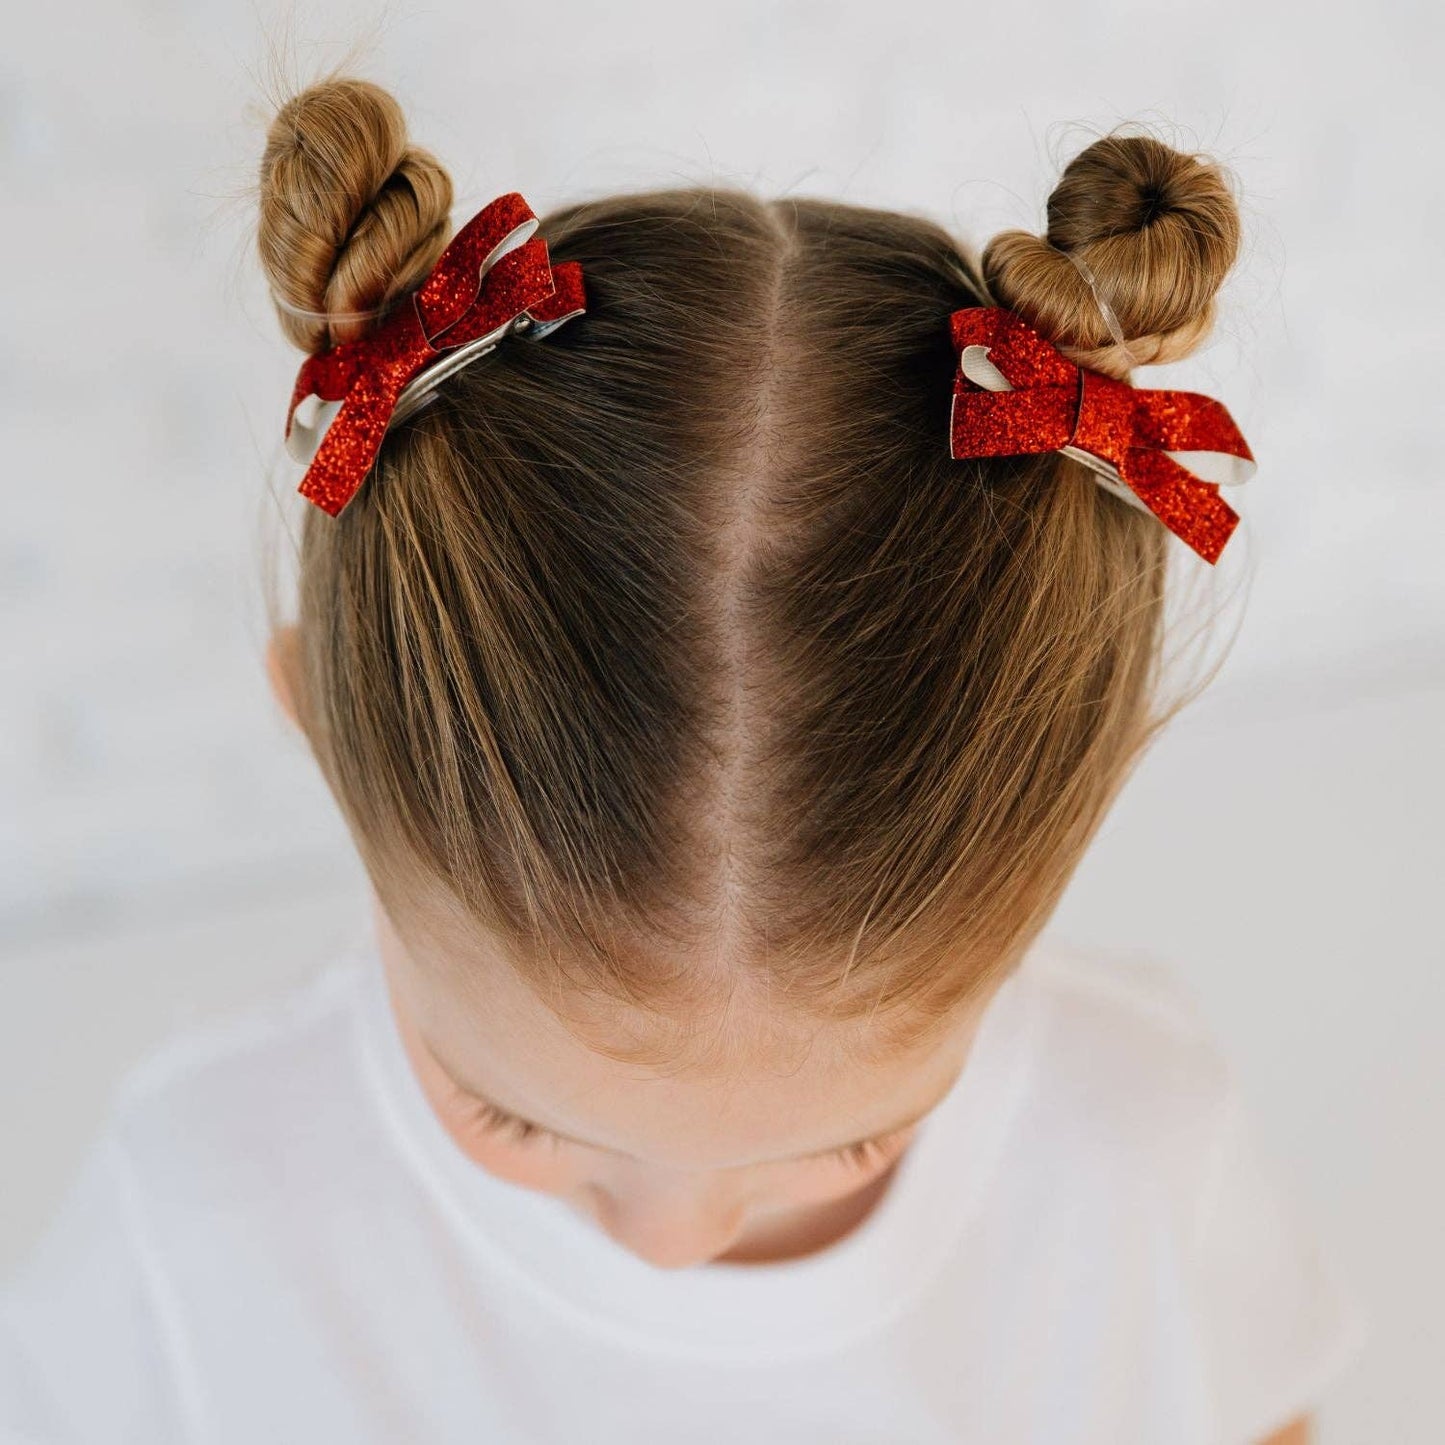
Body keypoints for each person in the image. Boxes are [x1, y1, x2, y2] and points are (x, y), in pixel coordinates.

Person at [0, 73, 1366, 1444]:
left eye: (853, 1139)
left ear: (1073, 815)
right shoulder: (195, 1223)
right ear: (315, 727)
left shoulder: (1136, 1147)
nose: (673, 1240)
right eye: (512, 1117)